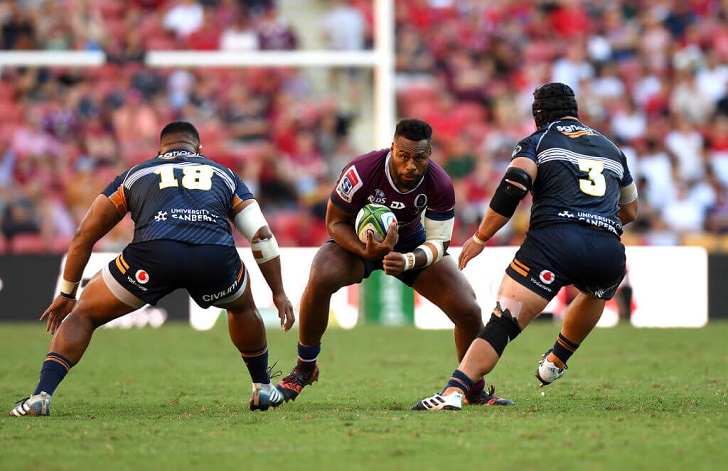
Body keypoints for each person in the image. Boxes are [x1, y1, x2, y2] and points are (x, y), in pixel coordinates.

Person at [8, 121, 295, 417]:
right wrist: (279, 292)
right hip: (214, 256)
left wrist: (67, 292)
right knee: (242, 307)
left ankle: (41, 396)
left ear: (160, 150)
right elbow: (261, 236)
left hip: (154, 255)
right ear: (199, 149)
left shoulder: (137, 173)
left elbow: (85, 234)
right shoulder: (225, 174)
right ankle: (262, 388)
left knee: (84, 313)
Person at [411, 83, 639, 411]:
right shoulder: (611, 148)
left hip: (554, 242)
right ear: (575, 111)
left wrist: (480, 238)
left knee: (504, 322)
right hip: (608, 248)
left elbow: (513, 188)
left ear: (538, 116)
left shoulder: (540, 140)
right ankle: (556, 361)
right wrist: (595, 219)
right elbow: (630, 211)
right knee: (597, 291)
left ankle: (454, 392)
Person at [275, 118, 512, 406]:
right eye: (404, 156)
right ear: (392, 149)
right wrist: (365, 250)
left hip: (410, 243)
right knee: (322, 273)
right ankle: (305, 368)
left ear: (430, 154)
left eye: (420, 158)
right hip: (358, 242)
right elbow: (334, 223)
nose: (411, 165)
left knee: (469, 309)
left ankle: (472, 388)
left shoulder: (440, 184)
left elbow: (439, 242)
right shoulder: (361, 172)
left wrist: (408, 259)